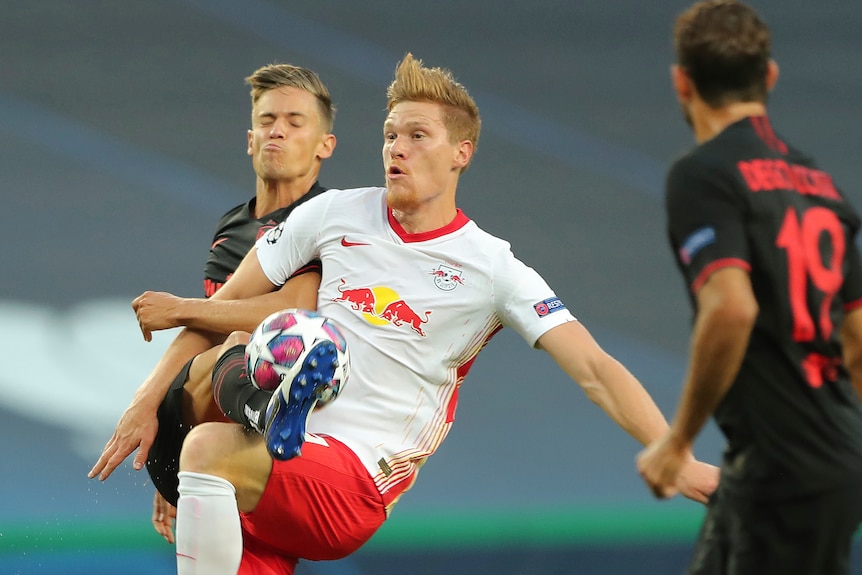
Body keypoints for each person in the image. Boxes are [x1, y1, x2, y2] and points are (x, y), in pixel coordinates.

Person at [155, 53, 719, 575]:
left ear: (461, 153)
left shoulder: (491, 268)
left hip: (356, 478)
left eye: (417, 136)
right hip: (275, 462)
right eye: (390, 135)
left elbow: (594, 368)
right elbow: (220, 307)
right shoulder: (332, 215)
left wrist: (677, 455)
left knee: (206, 447)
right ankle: (257, 421)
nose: (397, 148)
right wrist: (148, 408)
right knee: (224, 369)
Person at [636, 2, 862, 573]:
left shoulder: (704, 175)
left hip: (784, 471)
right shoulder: (819, 185)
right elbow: (858, 339)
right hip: (804, 463)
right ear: (770, 77)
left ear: (681, 81)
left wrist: (677, 442)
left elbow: (731, 307)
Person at [87, 62, 336, 542]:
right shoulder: (233, 226)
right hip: (210, 419)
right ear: (249, 138)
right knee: (237, 343)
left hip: (244, 436)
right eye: (267, 121)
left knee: (262, 344)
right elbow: (207, 328)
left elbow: (297, 314)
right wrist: (150, 405)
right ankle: (241, 425)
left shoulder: (327, 220)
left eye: (294, 122)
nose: (277, 132)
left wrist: (180, 307)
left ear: (325, 145)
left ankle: (245, 426)